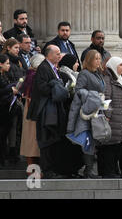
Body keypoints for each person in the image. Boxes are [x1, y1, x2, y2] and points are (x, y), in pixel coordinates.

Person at [27, 45, 69, 179]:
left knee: (52, 140)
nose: (59, 56)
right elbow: (42, 88)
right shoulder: (44, 68)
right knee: (46, 140)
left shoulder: (52, 67)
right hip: (46, 110)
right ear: (49, 55)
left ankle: (53, 168)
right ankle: (47, 169)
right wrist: (56, 86)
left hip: (53, 109)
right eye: (56, 53)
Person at [74, 50, 106, 179]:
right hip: (86, 112)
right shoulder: (84, 74)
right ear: (89, 60)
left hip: (98, 111)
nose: (99, 61)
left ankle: (90, 169)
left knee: (96, 139)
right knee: (88, 140)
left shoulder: (98, 74)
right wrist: (94, 96)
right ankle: (88, 169)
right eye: (96, 59)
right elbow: (78, 90)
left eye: (100, 59)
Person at [98, 57, 122, 178]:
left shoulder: (121, 78)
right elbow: (106, 99)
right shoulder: (108, 79)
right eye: (120, 65)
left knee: (117, 145)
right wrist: (107, 115)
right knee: (109, 146)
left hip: (120, 117)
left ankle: (113, 170)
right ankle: (107, 171)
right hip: (111, 118)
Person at [1, 38, 26, 164]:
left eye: (18, 48)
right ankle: (10, 151)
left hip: (19, 96)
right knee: (11, 126)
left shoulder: (18, 61)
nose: (18, 50)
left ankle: (14, 150)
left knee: (17, 126)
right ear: (8, 47)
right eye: (15, 47)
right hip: (9, 97)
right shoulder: (6, 60)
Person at [20, 54, 45, 173]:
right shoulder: (34, 76)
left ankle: (32, 169)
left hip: (30, 110)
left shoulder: (30, 75)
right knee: (32, 141)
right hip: (33, 111)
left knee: (31, 140)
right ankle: (33, 169)